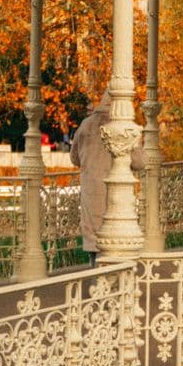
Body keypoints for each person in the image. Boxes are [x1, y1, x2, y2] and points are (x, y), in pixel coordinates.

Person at [71, 102, 143, 256]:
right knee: (114, 238)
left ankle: (94, 275)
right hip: (115, 191)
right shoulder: (124, 126)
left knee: (94, 239)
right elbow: (140, 162)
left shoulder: (85, 124)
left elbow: (74, 158)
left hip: (90, 188)